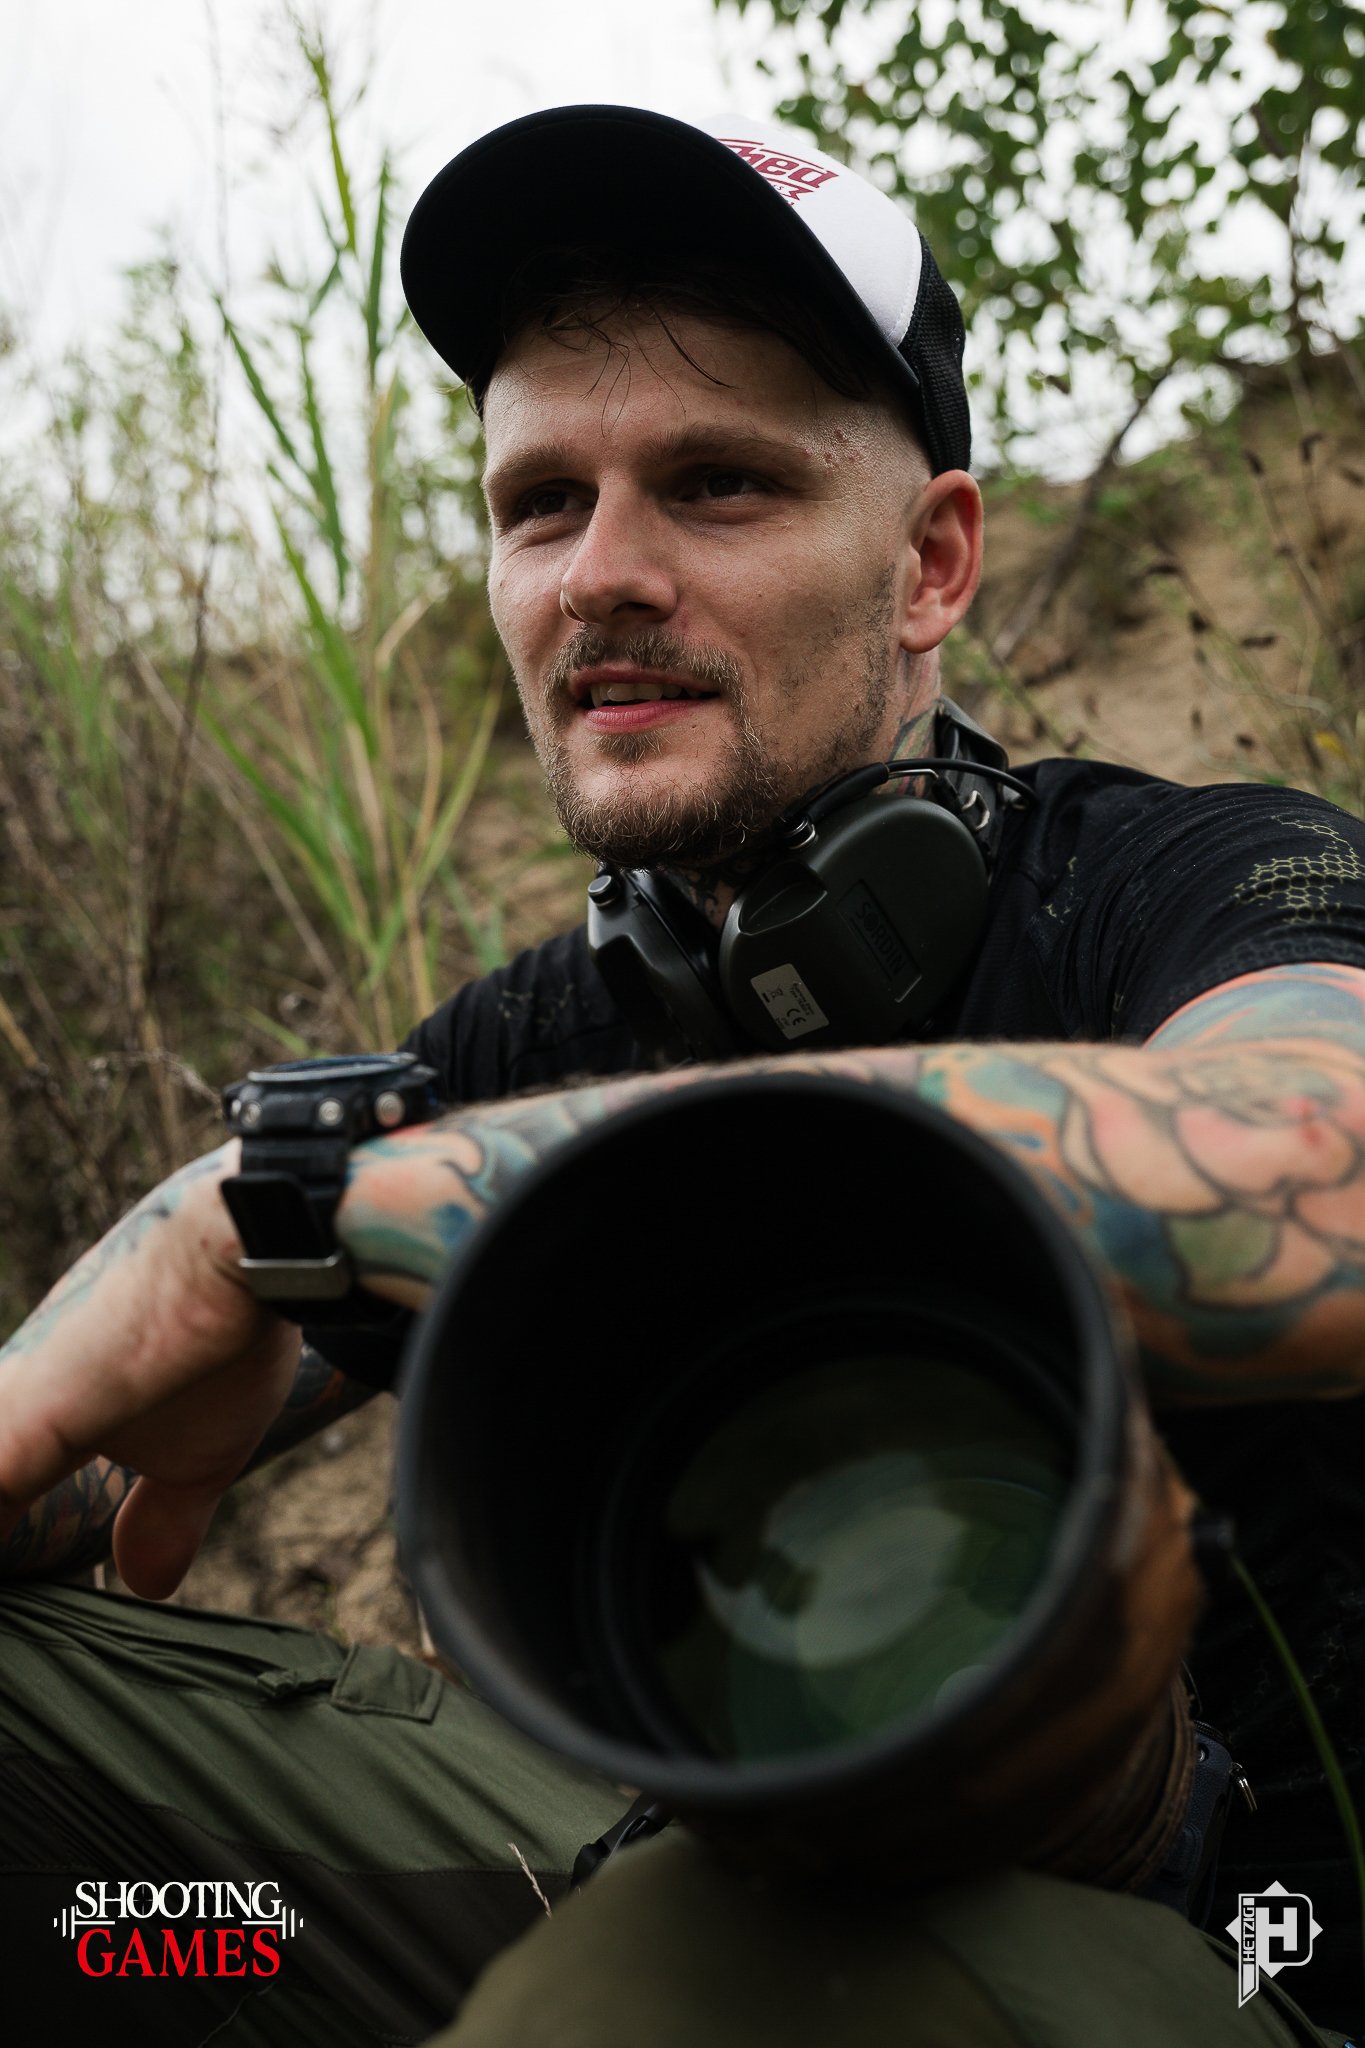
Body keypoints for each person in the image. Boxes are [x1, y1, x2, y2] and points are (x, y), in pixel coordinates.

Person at [1, 104, 1364, 2047]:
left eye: (716, 484)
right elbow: (92, 1423)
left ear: (929, 563)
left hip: (1239, 1961)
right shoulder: (546, 1032)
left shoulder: (1190, 885)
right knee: (101, 1892)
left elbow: (1321, 1158)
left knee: (650, 1986)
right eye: (539, 502)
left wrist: (277, 1215)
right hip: (649, 1849)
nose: (599, 575)